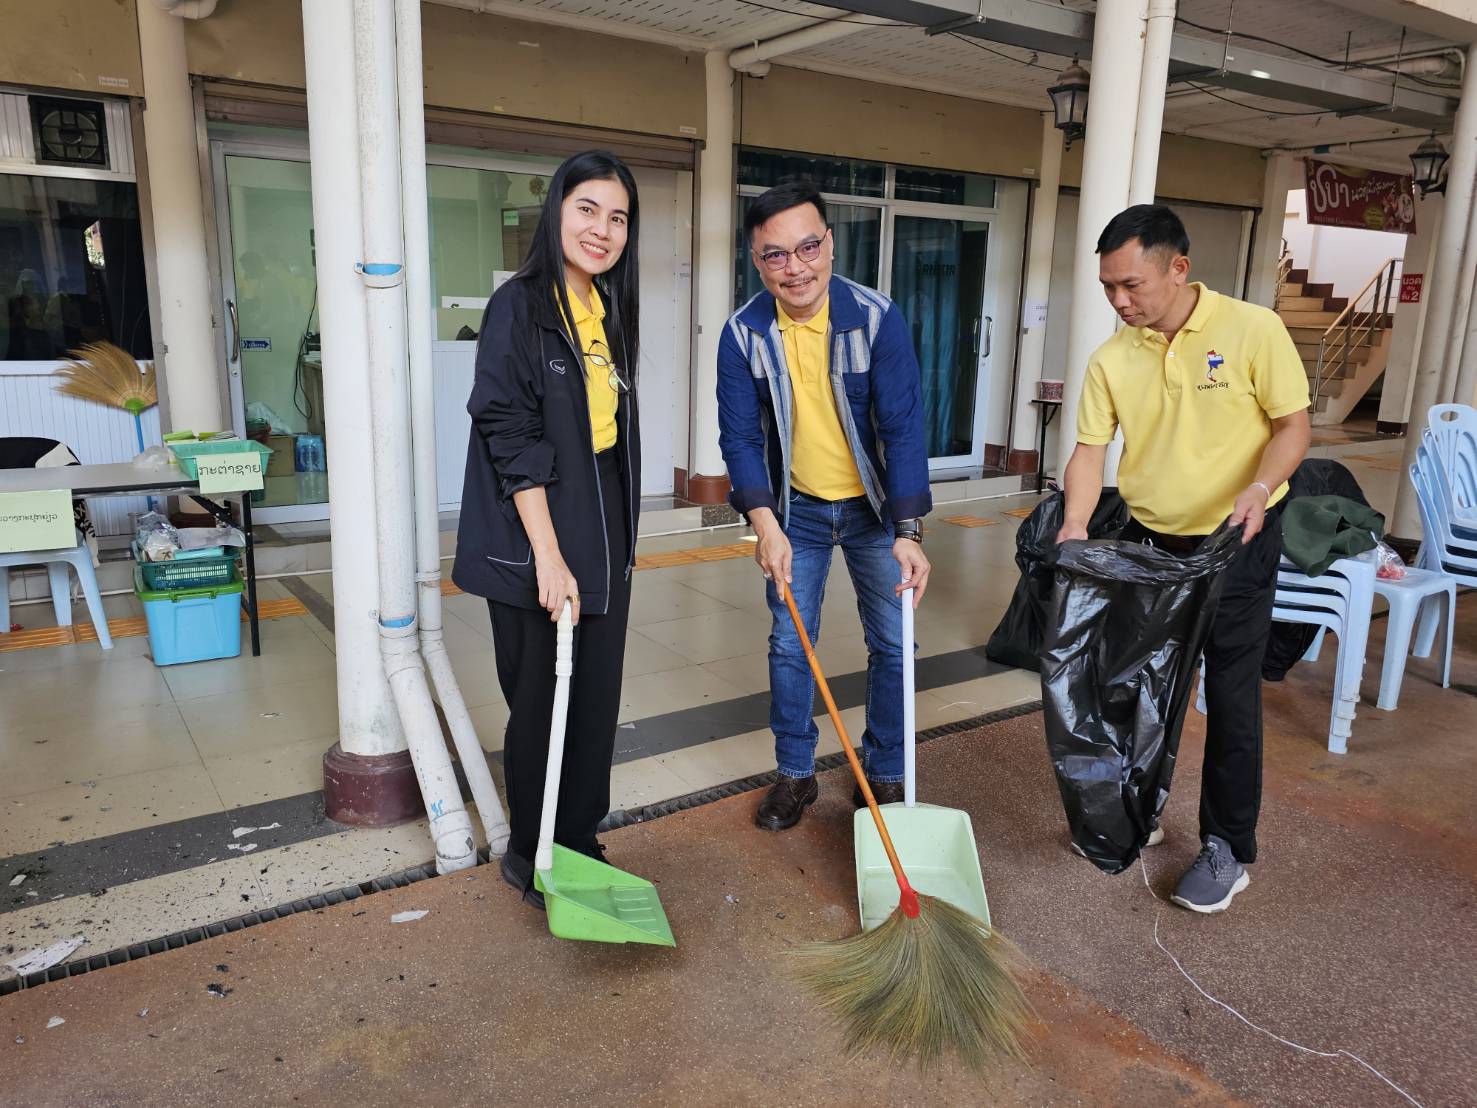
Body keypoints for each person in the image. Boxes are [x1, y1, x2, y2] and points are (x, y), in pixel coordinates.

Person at [1056, 204, 1311, 914]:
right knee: (1135, 687)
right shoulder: (1112, 356)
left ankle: (1227, 849)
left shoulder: (1250, 329)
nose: (1117, 301)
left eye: (1130, 285)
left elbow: (1292, 427)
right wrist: (1075, 525)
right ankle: (1136, 816)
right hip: (1149, 542)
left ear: (1178, 267)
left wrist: (1259, 487)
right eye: (1107, 287)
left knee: (1229, 696)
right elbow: (1087, 450)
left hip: (1238, 538)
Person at [452, 151, 642, 910]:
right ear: (556, 210)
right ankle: (531, 853)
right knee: (541, 697)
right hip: (535, 529)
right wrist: (549, 556)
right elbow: (509, 431)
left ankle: (580, 838)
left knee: (593, 696)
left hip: (598, 527)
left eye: (618, 217)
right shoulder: (520, 306)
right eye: (588, 208)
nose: (602, 229)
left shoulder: (602, 307)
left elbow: (605, 434)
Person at [717, 180, 933, 832]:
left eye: (807, 247)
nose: (795, 267)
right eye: (775, 256)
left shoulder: (874, 318)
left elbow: (902, 426)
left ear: (829, 245)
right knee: (790, 645)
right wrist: (764, 527)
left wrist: (908, 530)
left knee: (894, 644)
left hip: (873, 513)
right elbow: (740, 437)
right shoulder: (744, 333)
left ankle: (887, 771)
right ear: (758, 263)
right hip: (796, 513)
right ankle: (795, 774)